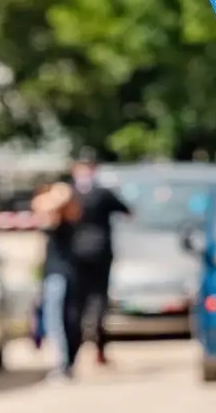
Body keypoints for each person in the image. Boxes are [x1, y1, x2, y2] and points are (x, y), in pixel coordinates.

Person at [67, 152, 131, 366]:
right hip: (99, 251)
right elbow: (128, 211)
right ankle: (97, 344)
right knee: (98, 299)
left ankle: (75, 349)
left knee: (78, 300)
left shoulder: (69, 193)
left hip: (75, 252)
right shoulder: (103, 193)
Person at [34, 181, 85, 381]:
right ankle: (64, 363)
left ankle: (61, 363)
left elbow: (50, 202)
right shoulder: (64, 218)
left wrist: (57, 193)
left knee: (56, 321)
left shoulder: (65, 219)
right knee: (60, 320)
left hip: (59, 276)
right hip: (60, 274)